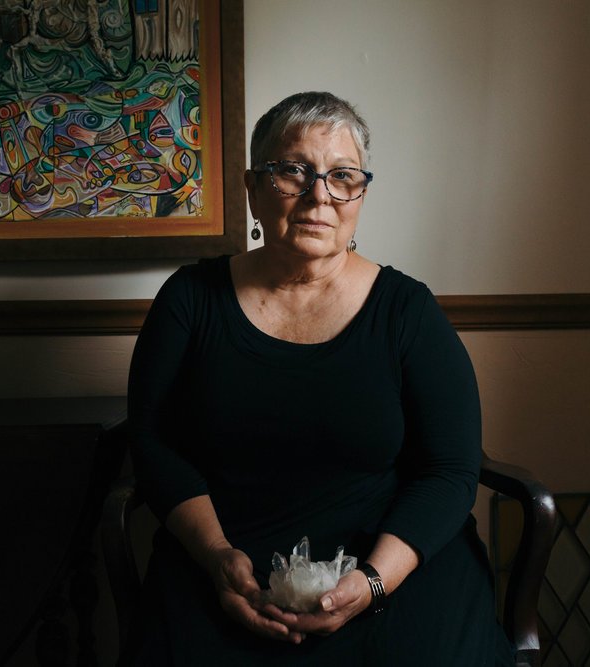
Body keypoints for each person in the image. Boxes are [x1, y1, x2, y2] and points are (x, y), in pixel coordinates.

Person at [126, 91, 514, 665]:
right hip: (231, 571)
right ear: (253, 187)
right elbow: (153, 443)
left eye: (342, 176)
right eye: (293, 171)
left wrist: (374, 582)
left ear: (360, 193)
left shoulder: (407, 311)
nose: (319, 196)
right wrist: (217, 560)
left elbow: (450, 469)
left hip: (388, 570)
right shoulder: (189, 301)